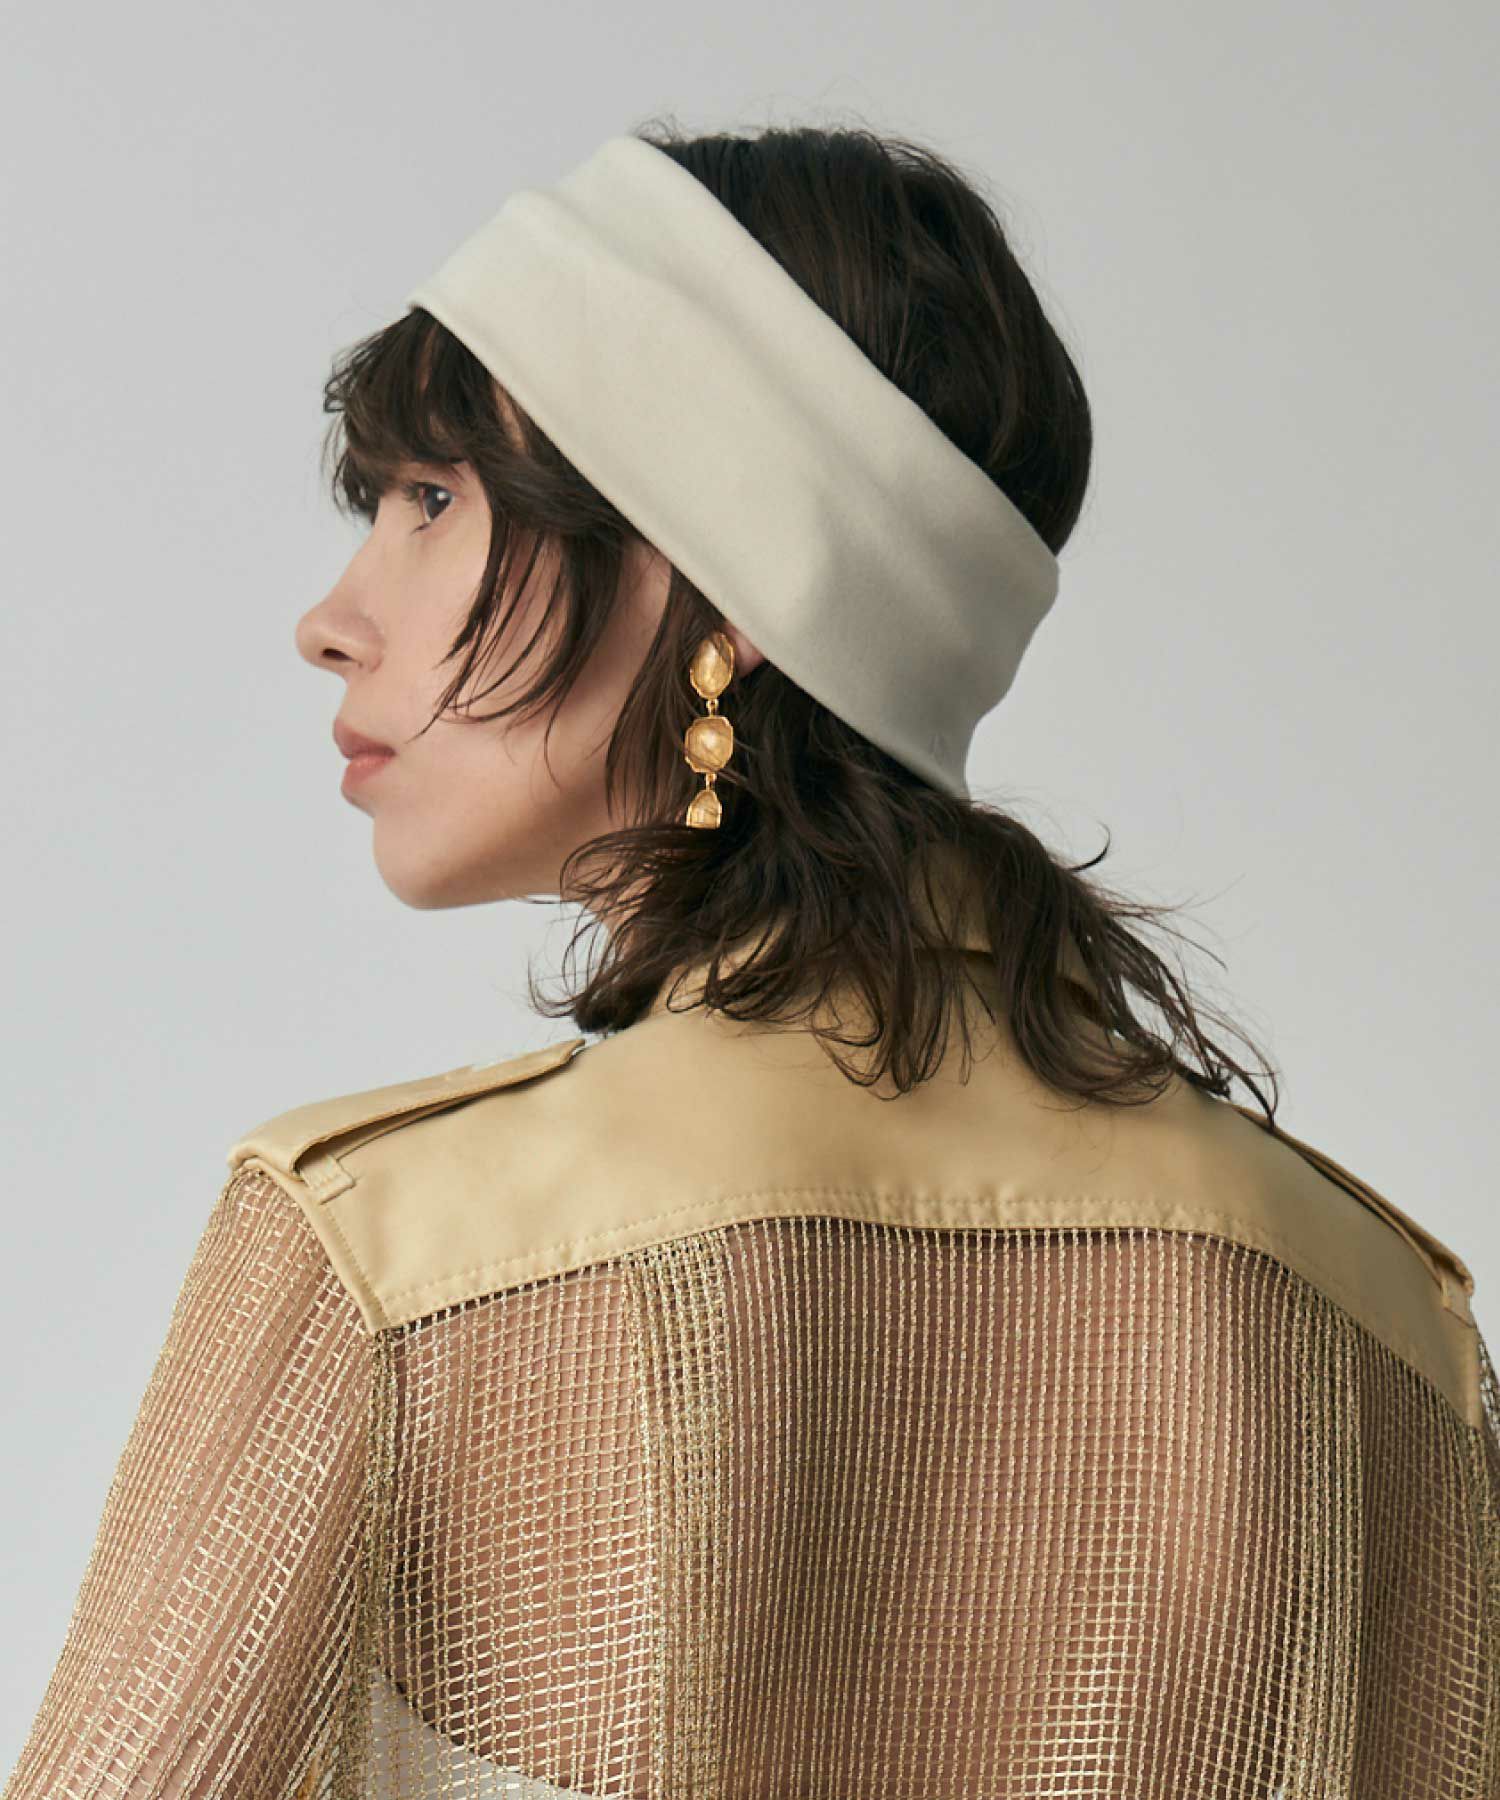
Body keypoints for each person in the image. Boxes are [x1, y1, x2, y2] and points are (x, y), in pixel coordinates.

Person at [5, 119, 1497, 1800]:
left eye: (432, 498)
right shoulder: (1374, 1330)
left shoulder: (395, 1268)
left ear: (730, 587)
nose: (334, 616)